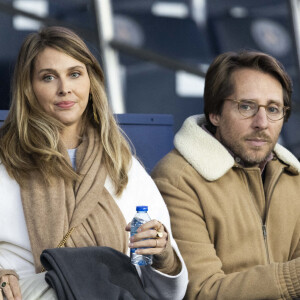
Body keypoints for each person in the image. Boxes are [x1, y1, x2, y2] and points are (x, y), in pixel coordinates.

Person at [0, 26, 188, 300]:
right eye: (48, 77)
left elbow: (168, 292)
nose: (65, 89)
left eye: (74, 74)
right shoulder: (5, 161)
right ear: (29, 88)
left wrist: (163, 255)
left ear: (91, 81)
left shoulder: (123, 164)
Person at [152, 50, 300, 299]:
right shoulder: (177, 179)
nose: (262, 122)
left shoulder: (292, 177)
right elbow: (201, 293)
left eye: (273, 109)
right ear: (215, 114)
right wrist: (291, 279)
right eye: (246, 106)